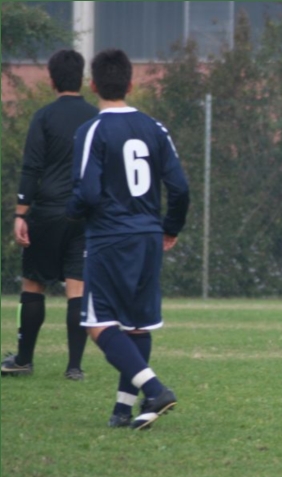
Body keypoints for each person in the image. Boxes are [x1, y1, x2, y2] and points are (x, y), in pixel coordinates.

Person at [66, 49, 190, 429]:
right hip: (149, 236)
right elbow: (180, 187)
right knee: (137, 325)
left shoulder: (92, 130)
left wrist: (69, 213)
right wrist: (170, 227)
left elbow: (87, 193)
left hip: (110, 237)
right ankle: (124, 410)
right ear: (131, 84)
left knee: (97, 324)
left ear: (92, 85)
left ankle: (155, 389)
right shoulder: (155, 128)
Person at [2, 50, 98, 380]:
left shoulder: (44, 117)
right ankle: (74, 367)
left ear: (52, 79)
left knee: (33, 284)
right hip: (83, 215)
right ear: (82, 79)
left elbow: (31, 168)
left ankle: (23, 360)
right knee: (77, 289)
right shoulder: (95, 118)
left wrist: (21, 213)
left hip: (46, 212)